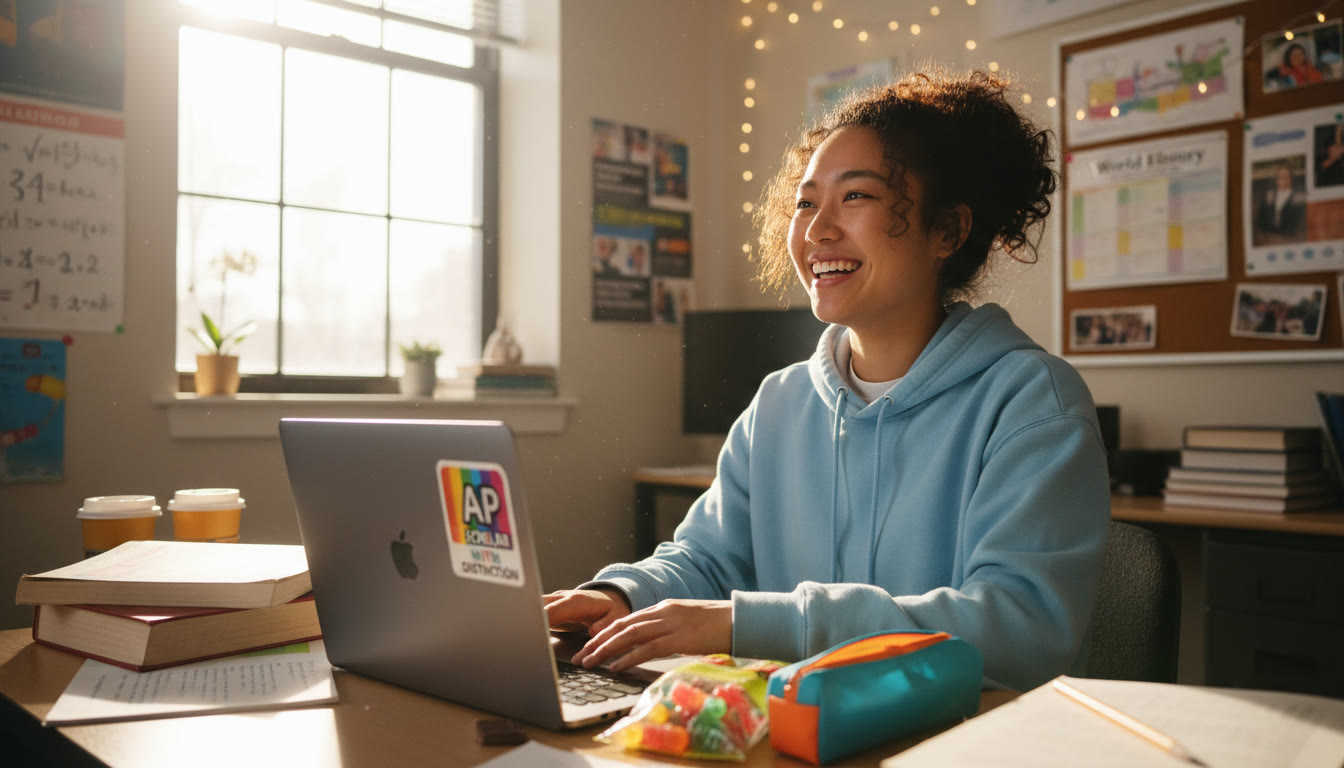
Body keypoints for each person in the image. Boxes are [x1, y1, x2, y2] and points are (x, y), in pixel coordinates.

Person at [546, 70, 1111, 692]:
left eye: (857, 197)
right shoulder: (779, 403)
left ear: (946, 231)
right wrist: (622, 595)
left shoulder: (1033, 403)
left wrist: (749, 624)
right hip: (791, 736)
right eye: (806, 202)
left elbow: (1017, 632)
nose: (816, 230)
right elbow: (708, 559)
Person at [1254, 164, 1306, 243]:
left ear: (1291, 178)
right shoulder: (1269, 195)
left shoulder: (1298, 197)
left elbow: (1300, 222)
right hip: (1269, 238)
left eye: (1286, 176)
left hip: (1289, 239)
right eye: (1280, 177)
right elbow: (1261, 218)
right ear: (1277, 179)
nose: (1283, 179)